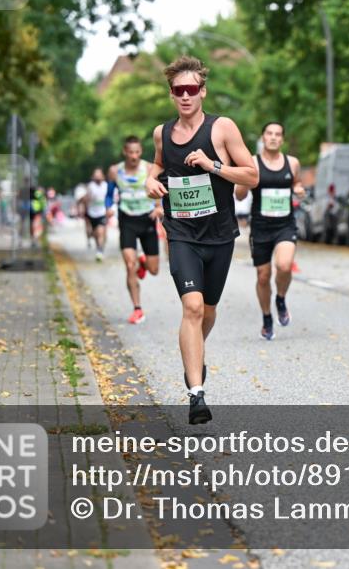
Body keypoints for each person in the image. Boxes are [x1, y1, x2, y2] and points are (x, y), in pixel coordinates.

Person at [145, 55, 258, 425]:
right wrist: (150, 179)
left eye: (192, 89)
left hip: (220, 235)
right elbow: (159, 162)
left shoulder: (222, 128)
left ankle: (195, 354)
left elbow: (252, 176)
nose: (186, 96)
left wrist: (213, 166)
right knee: (191, 308)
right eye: (179, 90)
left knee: (207, 311)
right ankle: (196, 395)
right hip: (180, 233)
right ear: (171, 95)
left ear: (203, 91)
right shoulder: (163, 133)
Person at [235, 122, 305, 340]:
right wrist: (246, 181)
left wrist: (298, 189)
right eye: (269, 134)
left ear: (282, 139)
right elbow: (239, 196)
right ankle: (267, 317)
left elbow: (296, 183)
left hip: (285, 224)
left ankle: (281, 299)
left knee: (284, 265)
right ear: (263, 138)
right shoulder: (253, 164)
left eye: (278, 134)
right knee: (263, 276)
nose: (273, 137)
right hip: (261, 226)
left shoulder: (292, 163)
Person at [108, 136, 163, 325]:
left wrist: (158, 207)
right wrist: (108, 207)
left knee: (154, 269)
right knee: (129, 266)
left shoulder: (148, 168)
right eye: (130, 152)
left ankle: (143, 261)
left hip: (147, 220)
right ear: (125, 152)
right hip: (127, 220)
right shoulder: (115, 171)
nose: (134, 156)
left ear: (141, 152)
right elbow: (109, 193)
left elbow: (159, 188)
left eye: (137, 152)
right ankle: (137, 309)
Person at [80, 169, 108, 261]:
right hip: (92, 213)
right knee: (96, 233)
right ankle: (99, 248)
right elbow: (86, 199)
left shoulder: (106, 186)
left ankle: (100, 250)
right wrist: (83, 208)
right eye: (96, 175)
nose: (98, 177)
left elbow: (110, 197)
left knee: (101, 232)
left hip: (102, 212)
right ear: (93, 177)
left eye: (99, 175)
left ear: (103, 176)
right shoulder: (91, 186)